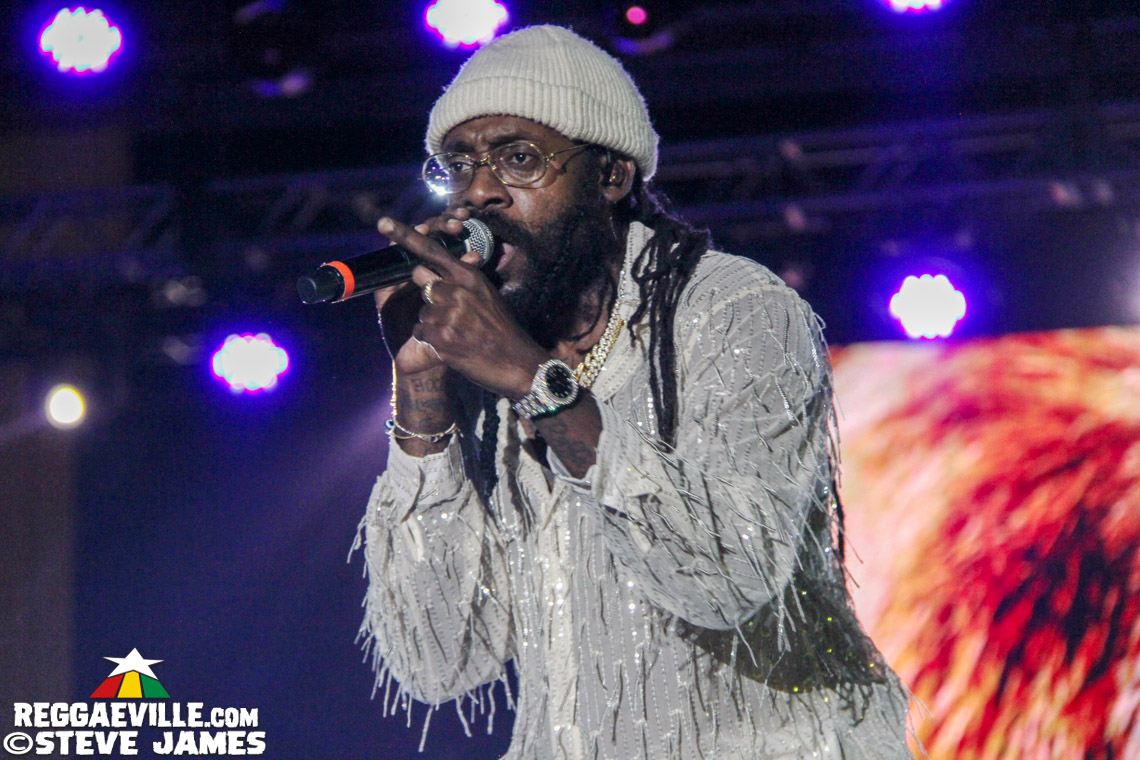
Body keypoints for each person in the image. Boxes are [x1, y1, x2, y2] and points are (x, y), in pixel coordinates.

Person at [352, 24, 911, 760]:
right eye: (459, 165)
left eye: (519, 159)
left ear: (610, 178)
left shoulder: (734, 310)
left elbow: (727, 578)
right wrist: (423, 393)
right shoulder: (488, 359)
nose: (480, 190)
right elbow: (438, 661)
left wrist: (534, 382)